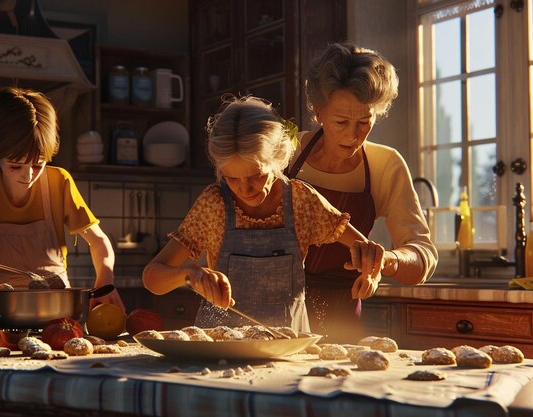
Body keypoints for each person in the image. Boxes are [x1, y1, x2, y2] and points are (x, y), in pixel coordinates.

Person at [142, 95, 392, 332]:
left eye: (256, 176)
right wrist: (190, 275)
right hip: (219, 349)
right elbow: (152, 277)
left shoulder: (300, 200)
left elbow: (365, 248)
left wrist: (371, 271)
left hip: (286, 348)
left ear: (278, 158)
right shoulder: (214, 203)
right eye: (231, 178)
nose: (244, 188)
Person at [287, 41, 438, 342]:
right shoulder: (285, 154)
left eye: (365, 122)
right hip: (274, 312)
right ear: (317, 111)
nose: (353, 134)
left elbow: (423, 255)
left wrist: (388, 260)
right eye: (341, 121)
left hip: (340, 324)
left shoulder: (385, 165)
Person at [0, 87, 125, 312]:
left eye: (38, 164)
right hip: (7, 317)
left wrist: (105, 278)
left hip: (60, 313)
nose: (28, 176)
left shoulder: (59, 182)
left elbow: (98, 241)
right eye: (15, 166)